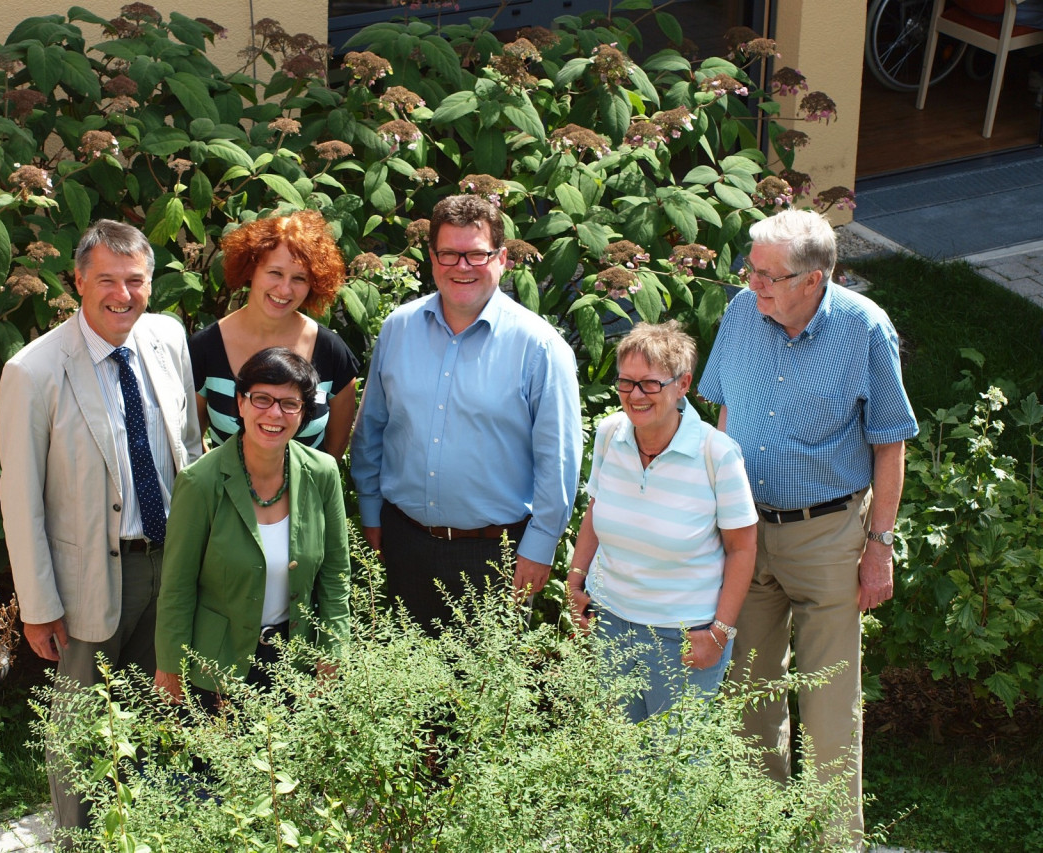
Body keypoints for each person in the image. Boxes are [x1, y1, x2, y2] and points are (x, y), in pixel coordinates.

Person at [697, 208, 918, 846]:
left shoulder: (864, 328)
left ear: (814, 279)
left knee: (827, 705)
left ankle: (834, 842)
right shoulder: (741, 315)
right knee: (749, 699)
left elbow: (889, 444)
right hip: (746, 533)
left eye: (768, 274)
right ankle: (762, 834)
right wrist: (717, 517)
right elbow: (725, 415)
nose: (752, 283)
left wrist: (878, 547)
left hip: (826, 535)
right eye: (750, 268)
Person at [0, 219, 201, 837]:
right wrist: (38, 606)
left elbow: (187, 450)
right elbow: (21, 497)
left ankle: (137, 835)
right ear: (79, 282)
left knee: (154, 713)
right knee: (80, 731)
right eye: (107, 280)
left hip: (166, 565)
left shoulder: (167, 337)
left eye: (135, 280)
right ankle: (77, 842)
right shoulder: (33, 371)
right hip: (88, 577)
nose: (123, 294)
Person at [350, 194, 582, 630]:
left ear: (502, 258)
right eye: (449, 253)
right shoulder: (397, 329)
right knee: (405, 690)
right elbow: (372, 428)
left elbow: (559, 460)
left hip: (496, 556)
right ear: (432, 258)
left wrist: (541, 545)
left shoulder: (540, 347)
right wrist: (369, 510)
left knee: (486, 695)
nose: (462, 266)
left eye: (476, 254)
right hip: (403, 542)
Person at [566, 321, 757, 722]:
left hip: (684, 637)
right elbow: (595, 513)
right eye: (626, 382)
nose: (635, 396)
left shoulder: (717, 454)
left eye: (650, 384)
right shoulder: (609, 433)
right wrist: (576, 581)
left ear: (683, 384)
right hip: (610, 625)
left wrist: (719, 632)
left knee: (675, 776)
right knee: (614, 760)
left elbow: (742, 548)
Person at [154, 347, 350, 705]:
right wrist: (170, 666)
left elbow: (336, 577)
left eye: (289, 404)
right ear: (240, 404)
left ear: (303, 413)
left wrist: (333, 653)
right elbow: (177, 586)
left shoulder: (323, 473)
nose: (274, 413)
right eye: (262, 398)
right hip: (215, 668)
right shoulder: (200, 483)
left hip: (297, 666)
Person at [191, 210, 358, 457]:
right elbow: (190, 441)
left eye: (299, 278)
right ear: (251, 269)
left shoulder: (331, 352)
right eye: (275, 273)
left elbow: (334, 448)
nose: (284, 289)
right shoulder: (204, 348)